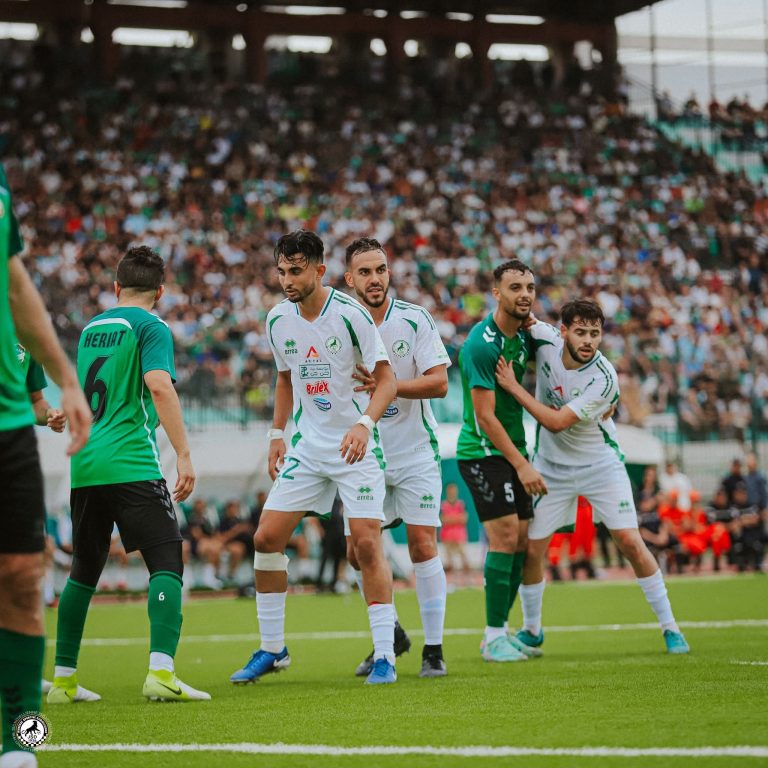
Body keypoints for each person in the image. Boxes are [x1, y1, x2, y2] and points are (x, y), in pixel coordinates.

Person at [228, 229, 399, 685]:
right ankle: (273, 649)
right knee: (266, 538)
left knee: (366, 546)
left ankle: (385, 655)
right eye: (282, 271)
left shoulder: (351, 315)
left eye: (296, 271)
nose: (287, 280)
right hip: (308, 447)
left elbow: (387, 381)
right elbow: (285, 378)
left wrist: (364, 424)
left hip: (356, 447)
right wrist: (276, 433)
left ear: (320, 270)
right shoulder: (277, 319)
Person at [48, 245, 209, 705]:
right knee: (166, 559)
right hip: (131, 460)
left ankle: (63, 681)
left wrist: (63, 413)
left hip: (85, 464)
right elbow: (158, 385)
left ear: (116, 287)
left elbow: (89, 391)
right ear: (160, 292)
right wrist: (183, 454)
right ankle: (161, 672)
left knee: (84, 568)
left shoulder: (90, 329)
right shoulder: (151, 326)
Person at [496, 299, 690, 655]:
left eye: (595, 334)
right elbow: (522, 320)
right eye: (580, 332)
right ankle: (532, 630)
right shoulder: (545, 338)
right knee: (533, 550)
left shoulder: (604, 378)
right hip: (552, 468)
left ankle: (671, 628)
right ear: (564, 331)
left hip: (600, 465)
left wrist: (514, 387)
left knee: (630, 541)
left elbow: (556, 422)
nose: (588, 340)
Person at [0, 163, 91, 768]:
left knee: (22, 575)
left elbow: (15, 283)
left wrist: (66, 384)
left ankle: (21, 741)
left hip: (8, 427)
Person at [344, 236, 451, 678]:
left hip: (414, 452)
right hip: (362, 454)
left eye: (381, 270)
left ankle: (434, 650)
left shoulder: (414, 319)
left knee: (423, 545)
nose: (375, 279)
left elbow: (439, 383)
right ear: (349, 279)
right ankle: (390, 634)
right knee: (357, 551)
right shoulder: (338, 323)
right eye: (365, 272)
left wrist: (387, 387)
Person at [455, 259, 548, 663]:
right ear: (496, 293)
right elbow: (485, 418)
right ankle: (493, 637)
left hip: (514, 450)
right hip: (483, 452)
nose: (524, 294)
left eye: (529, 287)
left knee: (523, 544)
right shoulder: (482, 344)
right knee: (506, 537)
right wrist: (522, 465)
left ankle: (501, 632)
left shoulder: (525, 336)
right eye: (515, 288)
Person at [440, 484, 471, 586]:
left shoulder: (461, 504)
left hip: (460, 536)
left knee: (464, 558)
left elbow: (464, 519)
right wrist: (456, 518)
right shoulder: (443, 505)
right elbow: (442, 520)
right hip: (447, 536)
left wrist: (450, 519)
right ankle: (452, 581)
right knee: (450, 561)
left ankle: (468, 579)